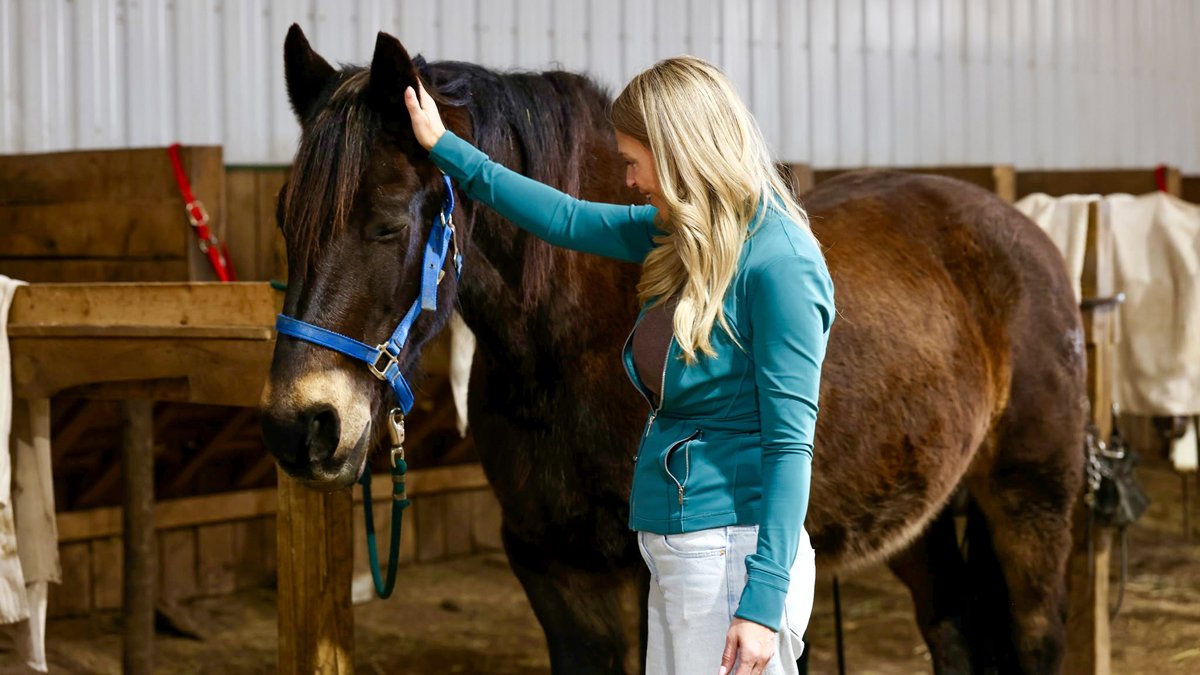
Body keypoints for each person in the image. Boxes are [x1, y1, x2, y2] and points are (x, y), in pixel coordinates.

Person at [405, 56, 834, 675]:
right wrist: (447, 150)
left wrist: (763, 605)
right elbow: (564, 218)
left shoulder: (780, 263)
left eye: (635, 161)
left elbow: (792, 447)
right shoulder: (685, 236)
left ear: (683, 150)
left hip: (729, 557)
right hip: (682, 549)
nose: (629, 180)